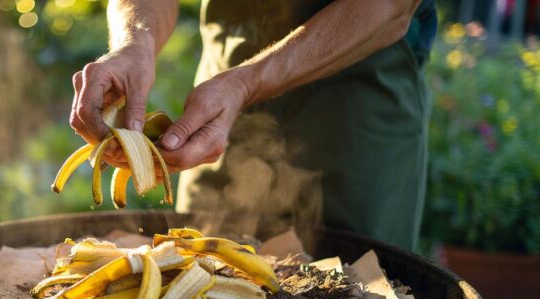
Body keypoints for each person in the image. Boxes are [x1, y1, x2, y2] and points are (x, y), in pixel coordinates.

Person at [69, 0, 437, 250]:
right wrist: (134, 40)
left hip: (355, 103)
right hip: (218, 101)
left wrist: (246, 82)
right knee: (197, 265)